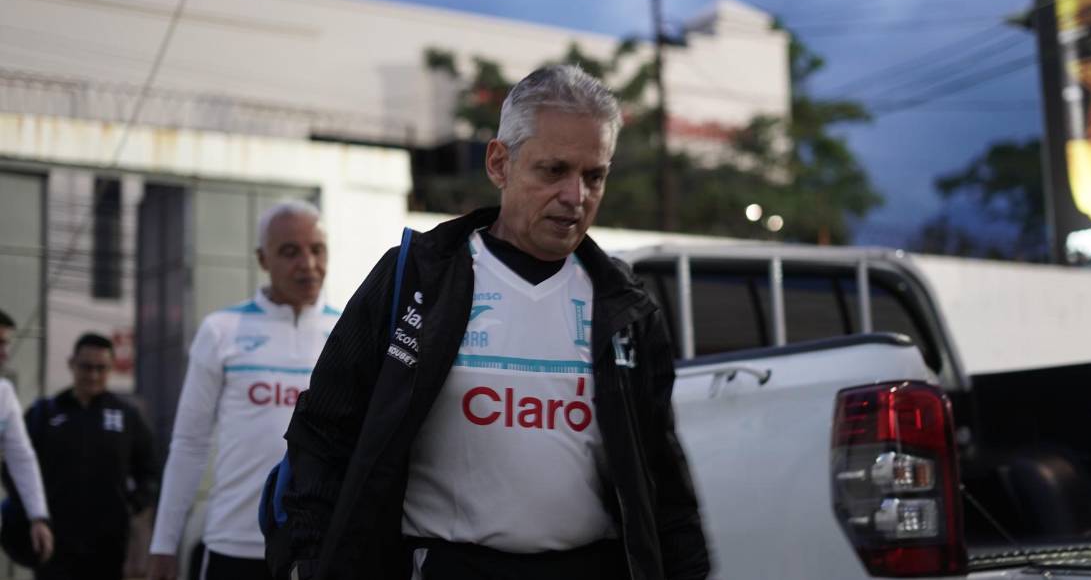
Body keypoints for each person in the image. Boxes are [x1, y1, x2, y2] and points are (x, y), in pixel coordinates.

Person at [272, 65, 710, 580]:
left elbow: (662, 477)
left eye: (595, 176)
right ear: (500, 163)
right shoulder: (416, 278)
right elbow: (323, 433)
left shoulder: (626, 306)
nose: (576, 196)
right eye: (554, 170)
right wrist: (305, 559)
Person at [148, 201, 339, 580]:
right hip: (232, 544)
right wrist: (163, 544)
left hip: (317, 549)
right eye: (290, 252)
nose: (307, 264)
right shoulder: (222, 330)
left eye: (316, 250)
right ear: (262, 259)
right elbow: (190, 442)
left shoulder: (347, 333)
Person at [32, 332, 155, 580]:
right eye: (86, 367)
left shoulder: (126, 416)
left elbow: (150, 472)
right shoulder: (44, 413)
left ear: (111, 368)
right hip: (55, 538)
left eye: (102, 368)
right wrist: (32, 511)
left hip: (108, 542)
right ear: (71, 363)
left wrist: (133, 504)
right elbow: (17, 465)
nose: (93, 375)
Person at [0, 310, 53, 567]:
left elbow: (22, 457)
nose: (5, 353)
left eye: (7, 343)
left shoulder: (4, 394)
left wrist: (37, 517)